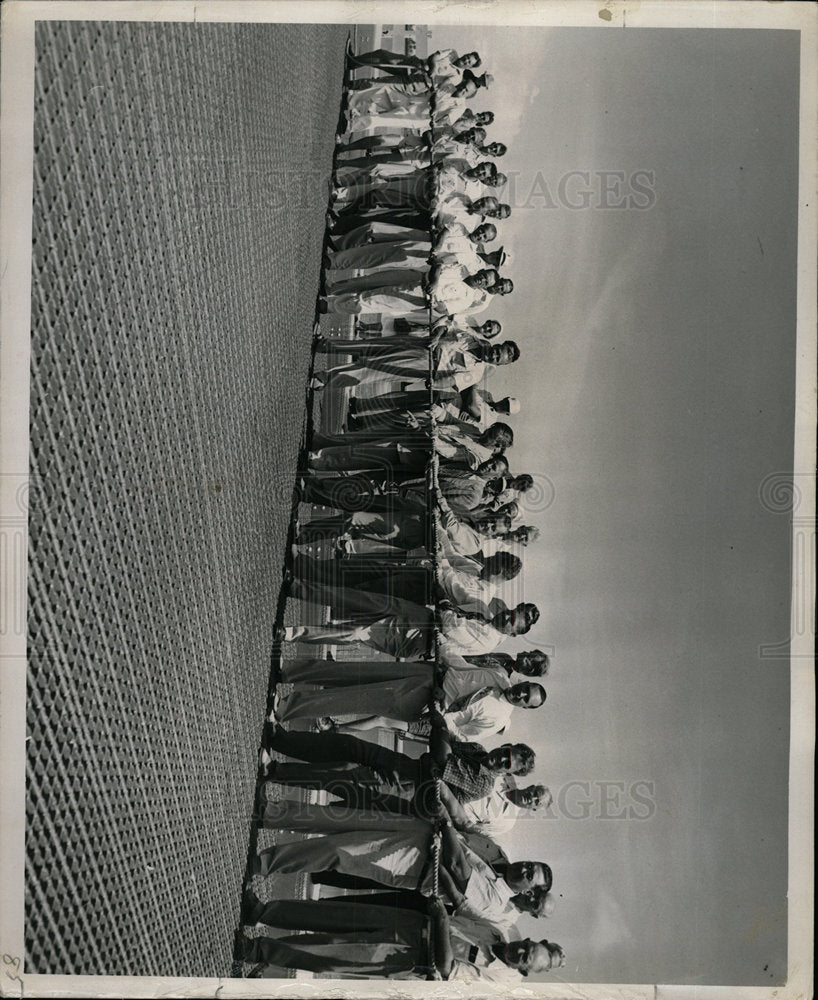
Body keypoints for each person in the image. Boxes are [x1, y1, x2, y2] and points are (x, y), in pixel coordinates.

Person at [242, 895, 565, 981]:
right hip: (411, 921)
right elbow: (460, 906)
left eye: (525, 957)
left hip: (407, 957)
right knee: (335, 915)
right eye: (529, 946)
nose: (521, 949)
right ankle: (263, 912)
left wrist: (439, 917)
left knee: (331, 953)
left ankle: (257, 950)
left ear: (522, 970)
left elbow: (446, 967)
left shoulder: (498, 978)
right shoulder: (497, 930)